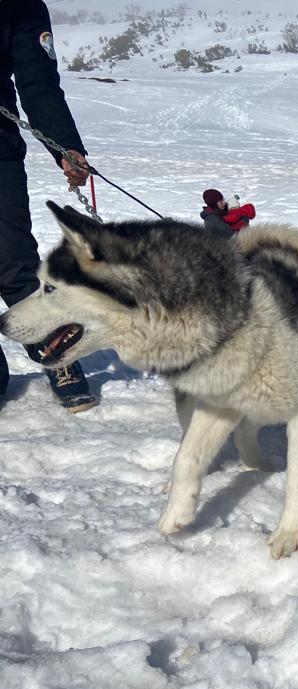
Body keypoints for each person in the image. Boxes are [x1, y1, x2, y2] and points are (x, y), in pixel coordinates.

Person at [1, 0, 96, 412]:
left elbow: (37, 81)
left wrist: (65, 146)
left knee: (12, 257)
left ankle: (54, 351)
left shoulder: (20, 7)